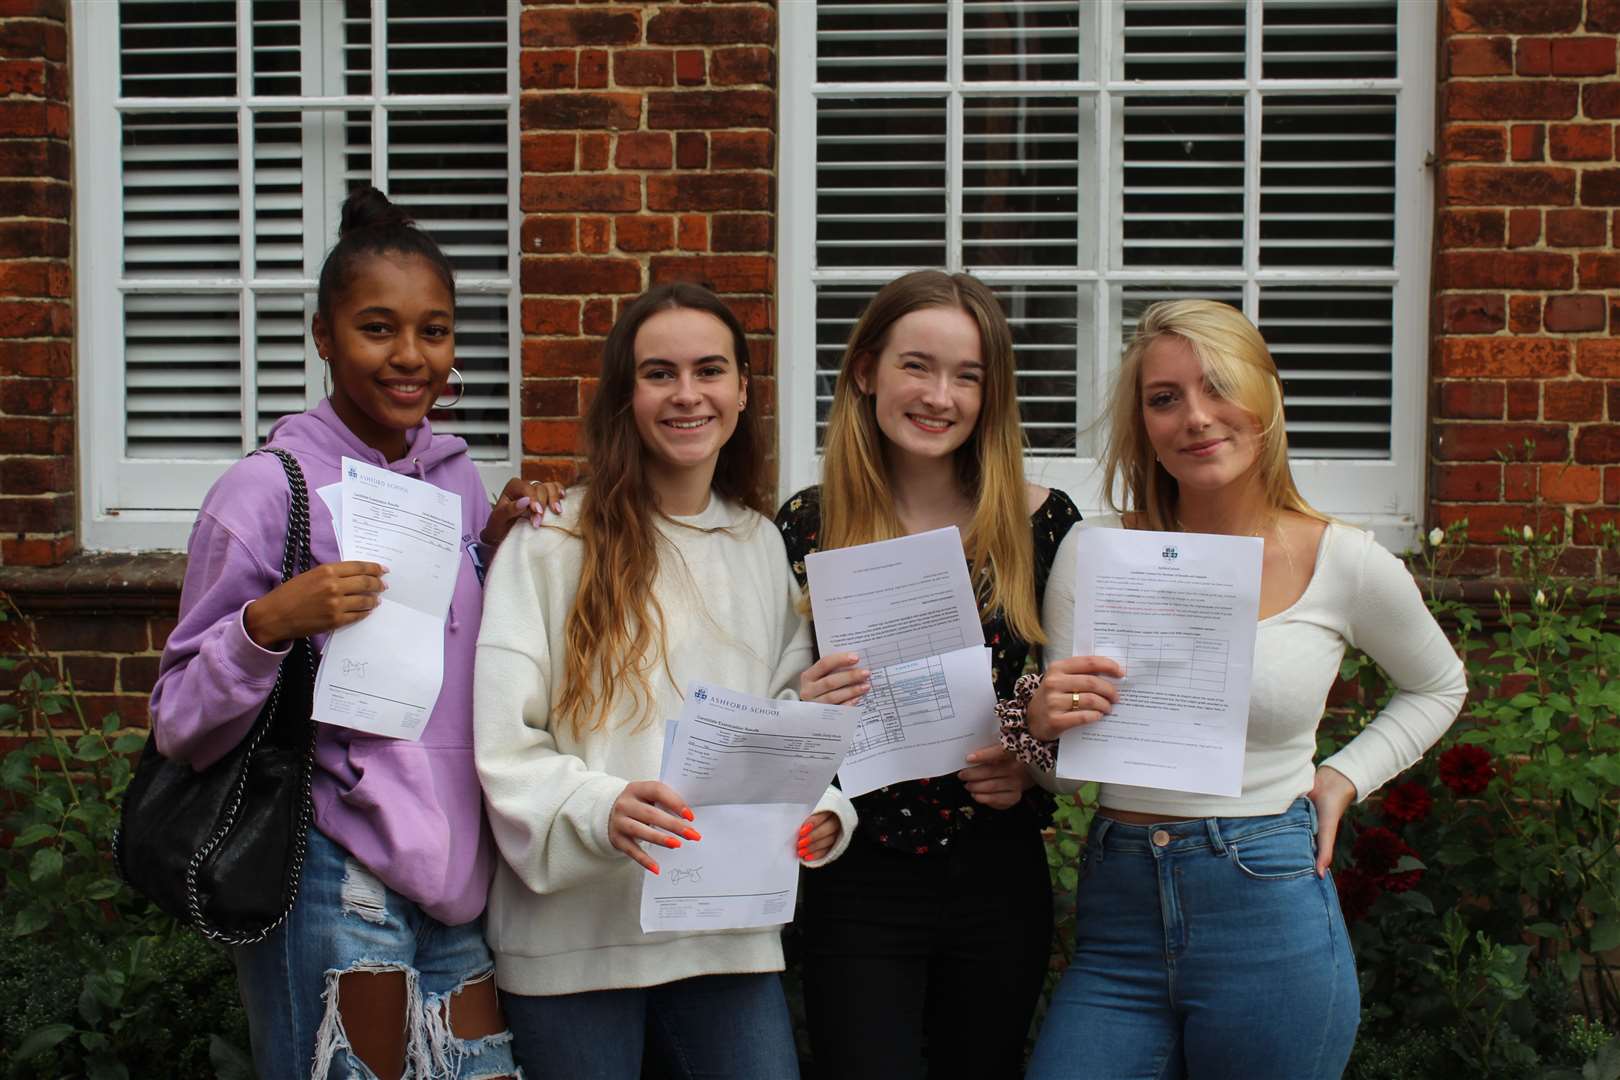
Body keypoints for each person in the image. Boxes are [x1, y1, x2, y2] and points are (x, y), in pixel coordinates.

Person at [149, 186, 559, 1080]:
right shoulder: (266, 491)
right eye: (378, 329)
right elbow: (179, 720)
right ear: (324, 338)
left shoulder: (458, 485)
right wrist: (267, 625)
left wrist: (492, 550)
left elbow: (459, 666)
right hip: (334, 869)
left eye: (435, 330)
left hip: (457, 878)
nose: (411, 357)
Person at [1012, 299, 1468, 1080]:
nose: (1196, 417)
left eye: (1219, 386)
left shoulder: (1344, 559)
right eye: (1165, 398)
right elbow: (1066, 770)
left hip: (1267, 900)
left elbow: (1438, 685)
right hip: (1119, 909)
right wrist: (1038, 724)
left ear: (1267, 397)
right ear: (1143, 423)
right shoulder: (1096, 551)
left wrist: (1342, 777)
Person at [472, 282, 858, 1080]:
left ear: (743, 391)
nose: (688, 394)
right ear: (625, 393)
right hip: (576, 940)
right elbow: (504, 743)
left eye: (710, 370)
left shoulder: (758, 545)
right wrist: (597, 805)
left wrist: (821, 808)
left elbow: (784, 717)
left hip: (725, 934)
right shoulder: (551, 545)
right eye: (659, 373)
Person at [775, 269, 1082, 1079]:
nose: (940, 395)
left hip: (996, 866)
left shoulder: (1045, 523)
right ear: (868, 370)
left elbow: (1085, 711)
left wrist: (1032, 760)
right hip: (856, 871)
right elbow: (759, 705)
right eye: (918, 365)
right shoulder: (808, 523)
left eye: (968, 376)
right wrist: (800, 706)